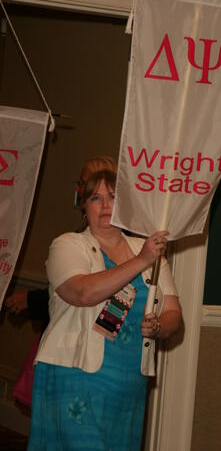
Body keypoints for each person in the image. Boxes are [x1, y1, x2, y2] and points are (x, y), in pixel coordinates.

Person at [27, 157, 182, 451]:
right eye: (96, 198)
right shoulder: (68, 245)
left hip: (129, 384)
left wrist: (159, 326)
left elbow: (174, 314)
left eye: (113, 197)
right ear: (84, 206)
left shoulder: (145, 248)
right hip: (76, 376)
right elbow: (82, 293)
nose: (106, 205)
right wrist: (141, 261)